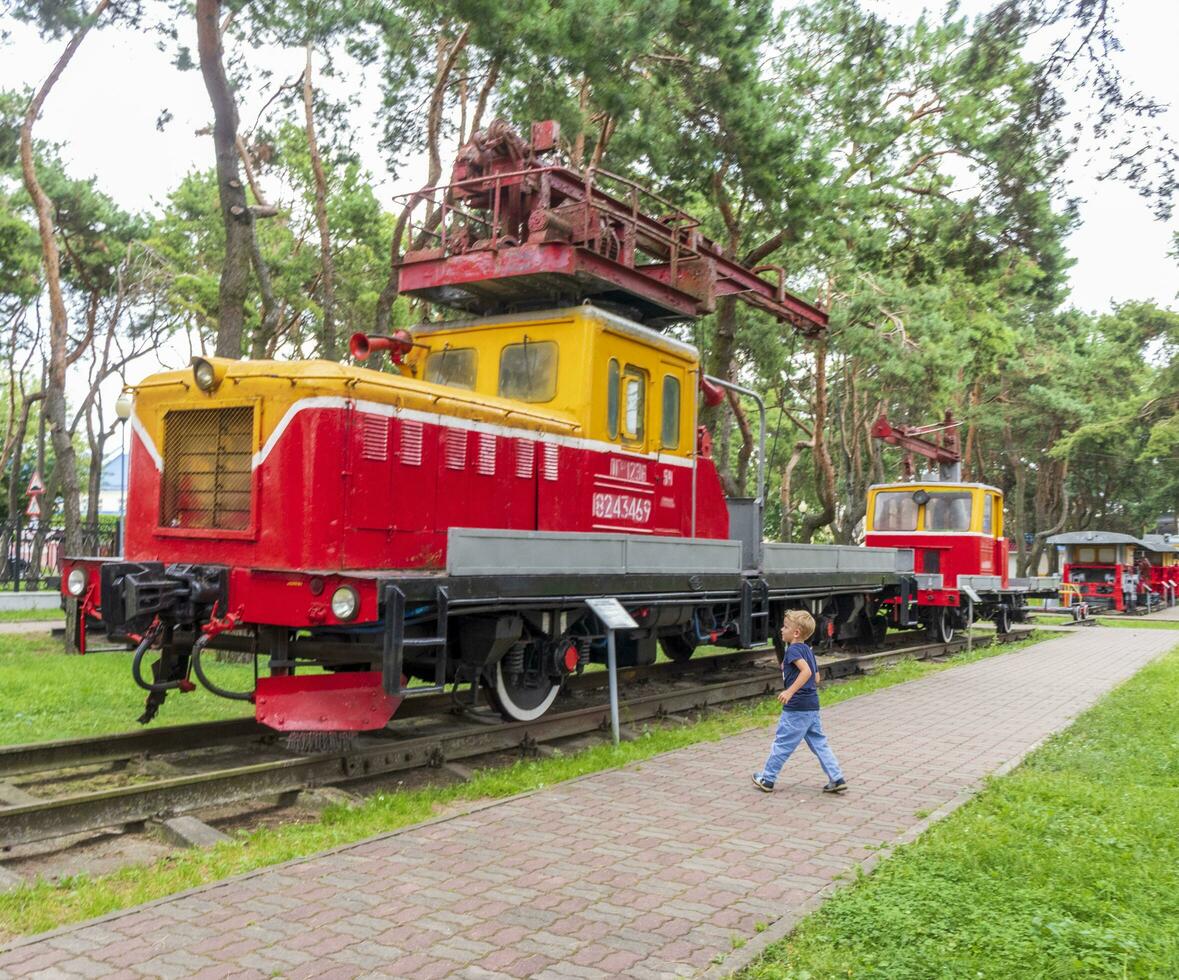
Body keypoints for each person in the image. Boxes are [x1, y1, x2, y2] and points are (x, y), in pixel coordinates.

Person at [752, 610, 847, 794]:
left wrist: (789, 691)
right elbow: (817, 677)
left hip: (796, 708)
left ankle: (767, 778)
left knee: (783, 743)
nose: (781, 629)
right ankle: (837, 778)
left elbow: (807, 673)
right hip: (812, 706)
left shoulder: (793, 650)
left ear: (796, 633)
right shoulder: (807, 650)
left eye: (785, 626)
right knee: (820, 743)